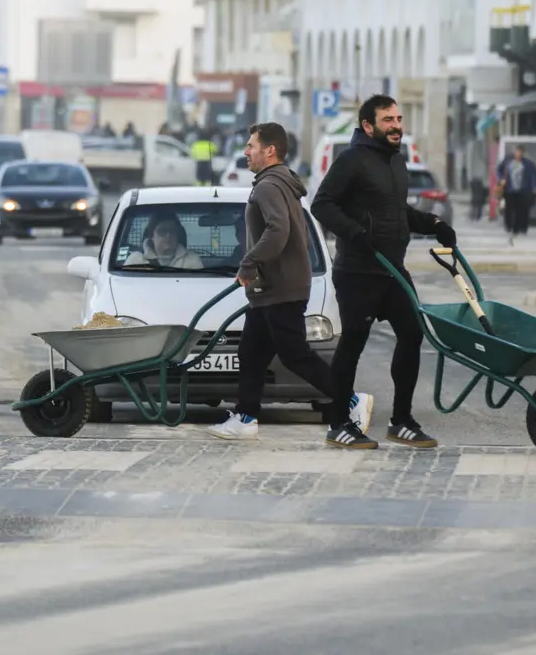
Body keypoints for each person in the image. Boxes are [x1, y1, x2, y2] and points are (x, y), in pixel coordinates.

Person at [208, 123, 373, 440]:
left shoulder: (269, 186)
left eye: (251, 145)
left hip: (280, 287)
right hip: (273, 288)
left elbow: (278, 230)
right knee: (251, 352)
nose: (246, 151)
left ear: (269, 150)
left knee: (295, 355)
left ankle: (351, 400)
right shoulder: (281, 182)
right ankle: (245, 418)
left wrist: (249, 262)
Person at [311, 94, 457, 450]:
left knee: (412, 335)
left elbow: (396, 210)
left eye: (398, 119)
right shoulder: (352, 161)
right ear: (368, 125)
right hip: (359, 272)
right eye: (388, 120)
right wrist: (354, 232)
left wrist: (433, 223)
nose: (396, 126)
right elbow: (322, 204)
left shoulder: (396, 163)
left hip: (393, 271)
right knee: (353, 345)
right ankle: (339, 424)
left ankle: (401, 421)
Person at [123, 212, 205, 269]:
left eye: (172, 231)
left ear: (178, 235)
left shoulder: (192, 260)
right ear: (152, 235)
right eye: (162, 231)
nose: (168, 235)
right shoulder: (136, 260)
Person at [494, 145, 536, 245]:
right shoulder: (507, 162)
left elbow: (532, 176)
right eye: (517, 152)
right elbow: (499, 170)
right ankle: (508, 226)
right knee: (508, 209)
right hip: (509, 189)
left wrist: (534, 187)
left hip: (522, 190)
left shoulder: (527, 164)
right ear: (514, 152)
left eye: (520, 152)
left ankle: (520, 228)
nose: (518, 154)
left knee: (521, 210)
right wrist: (501, 179)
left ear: (523, 153)